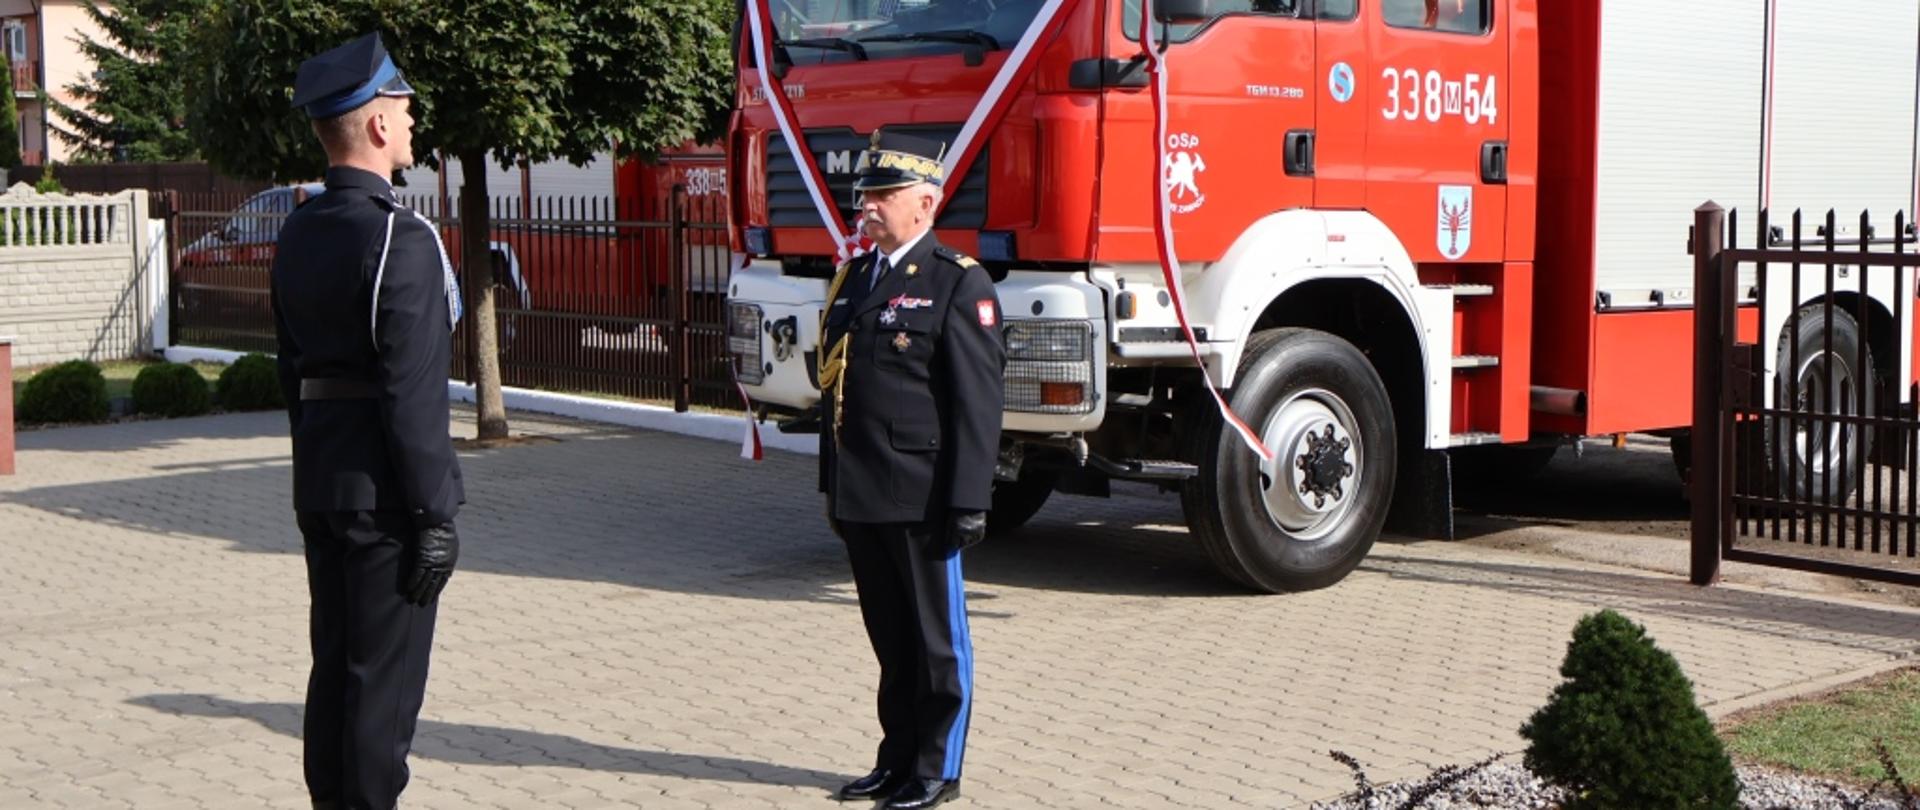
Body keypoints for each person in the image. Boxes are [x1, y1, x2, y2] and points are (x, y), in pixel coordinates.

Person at [271, 31, 464, 810]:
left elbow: (292, 371)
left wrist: (314, 470)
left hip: (324, 484)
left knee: (336, 680)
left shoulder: (300, 230)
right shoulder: (400, 237)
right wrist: (435, 514)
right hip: (387, 501)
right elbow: (412, 392)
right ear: (377, 125)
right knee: (381, 703)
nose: (413, 118)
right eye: (403, 107)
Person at [817, 131, 1005, 809]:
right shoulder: (856, 277)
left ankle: (936, 769)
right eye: (864, 195)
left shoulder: (958, 280)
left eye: (883, 195)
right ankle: (895, 760)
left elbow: (977, 403)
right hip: (862, 491)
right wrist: (831, 486)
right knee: (892, 644)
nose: (867, 206)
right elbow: (835, 389)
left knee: (936, 646)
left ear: (925, 203)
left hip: (922, 497)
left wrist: (967, 501)